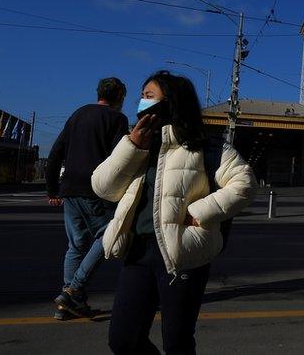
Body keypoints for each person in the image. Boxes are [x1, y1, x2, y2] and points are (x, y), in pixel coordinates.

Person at [92, 70, 255, 354]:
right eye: (141, 97)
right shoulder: (137, 143)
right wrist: (132, 146)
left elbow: (245, 185)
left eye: (148, 96)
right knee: (123, 340)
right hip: (137, 253)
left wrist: (201, 211)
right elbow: (103, 188)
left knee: (177, 341)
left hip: (184, 253)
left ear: (171, 103)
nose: (141, 103)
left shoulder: (209, 147)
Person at [45, 77, 128, 320]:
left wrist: (53, 189)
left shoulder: (78, 114)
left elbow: (56, 152)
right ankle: (74, 289)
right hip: (96, 189)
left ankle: (70, 304)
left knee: (76, 245)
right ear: (120, 96)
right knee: (107, 234)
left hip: (69, 188)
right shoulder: (117, 119)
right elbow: (119, 159)